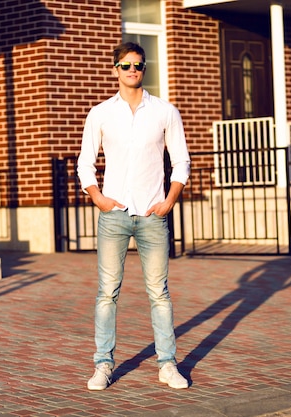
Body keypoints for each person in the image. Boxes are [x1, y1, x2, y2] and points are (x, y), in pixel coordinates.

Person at [77, 41, 191, 390]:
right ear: (115, 69)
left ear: (145, 69)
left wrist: (170, 200)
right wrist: (97, 197)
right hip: (115, 215)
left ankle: (168, 364)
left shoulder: (165, 111)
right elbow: (85, 162)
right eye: (125, 66)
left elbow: (181, 160)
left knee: (159, 293)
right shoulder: (100, 113)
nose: (132, 71)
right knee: (107, 293)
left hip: (153, 214)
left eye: (138, 66)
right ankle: (103, 365)